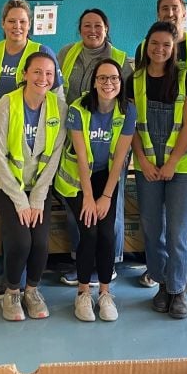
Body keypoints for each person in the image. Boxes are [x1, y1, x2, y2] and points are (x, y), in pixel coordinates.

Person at [0, 0, 64, 301]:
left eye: (23, 22)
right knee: (11, 217)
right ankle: (10, 282)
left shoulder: (41, 54)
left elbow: (56, 99)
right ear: (3, 23)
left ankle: (25, 285)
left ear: (30, 25)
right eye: (12, 21)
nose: (17, 27)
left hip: (34, 146)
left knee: (29, 226)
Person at [134, 0, 187, 294]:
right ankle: (162, 271)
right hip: (151, 149)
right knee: (155, 221)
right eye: (164, 8)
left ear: (184, 13)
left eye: (174, 8)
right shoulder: (144, 49)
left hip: (186, 141)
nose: (169, 13)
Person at [54, 58, 135, 321]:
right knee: (88, 232)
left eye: (113, 78)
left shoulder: (128, 111)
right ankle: (82, 294)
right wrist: (89, 198)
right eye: (102, 78)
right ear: (94, 82)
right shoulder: (78, 109)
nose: (108, 83)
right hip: (77, 181)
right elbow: (80, 157)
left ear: (120, 83)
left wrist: (107, 197)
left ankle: (105, 293)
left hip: (106, 178)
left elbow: (121, 157)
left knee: (107, 234)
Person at [0, 51, 67, 321]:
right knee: (21, 240)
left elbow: (54, 156)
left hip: (38, 187)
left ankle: (31, 291)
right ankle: (11, 293)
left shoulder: (58, 107)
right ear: (24, 74)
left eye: (48, 73)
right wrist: (21, 201)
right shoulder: (7, 104)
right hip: (4, 183)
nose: (42, 78)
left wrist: (37, 198)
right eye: (36, 72)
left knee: (41, 242)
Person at [56, 9, 132, 286]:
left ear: (106, 28)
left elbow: (126, 102)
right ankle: (82, 262)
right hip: (75, 134)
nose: (92, 30)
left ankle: (108, 264)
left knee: (111, 206)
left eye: (98, 25)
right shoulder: (66, 53)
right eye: (86, 25)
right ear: (79, 29)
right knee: (80, 210)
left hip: (110, 139)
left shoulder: (122, 60)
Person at [129, 22, 187, 319]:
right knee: (153, 227)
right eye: (155, 43)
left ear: (174, 50)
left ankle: (177, 289)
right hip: (147, 164)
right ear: (146, 45)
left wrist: (171, 163)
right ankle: (161, 283)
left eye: (166, 45)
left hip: (181, 166)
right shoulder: (134, 80)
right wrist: (143, 162)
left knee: (178, 231)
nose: (160, 49)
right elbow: (129, 125)